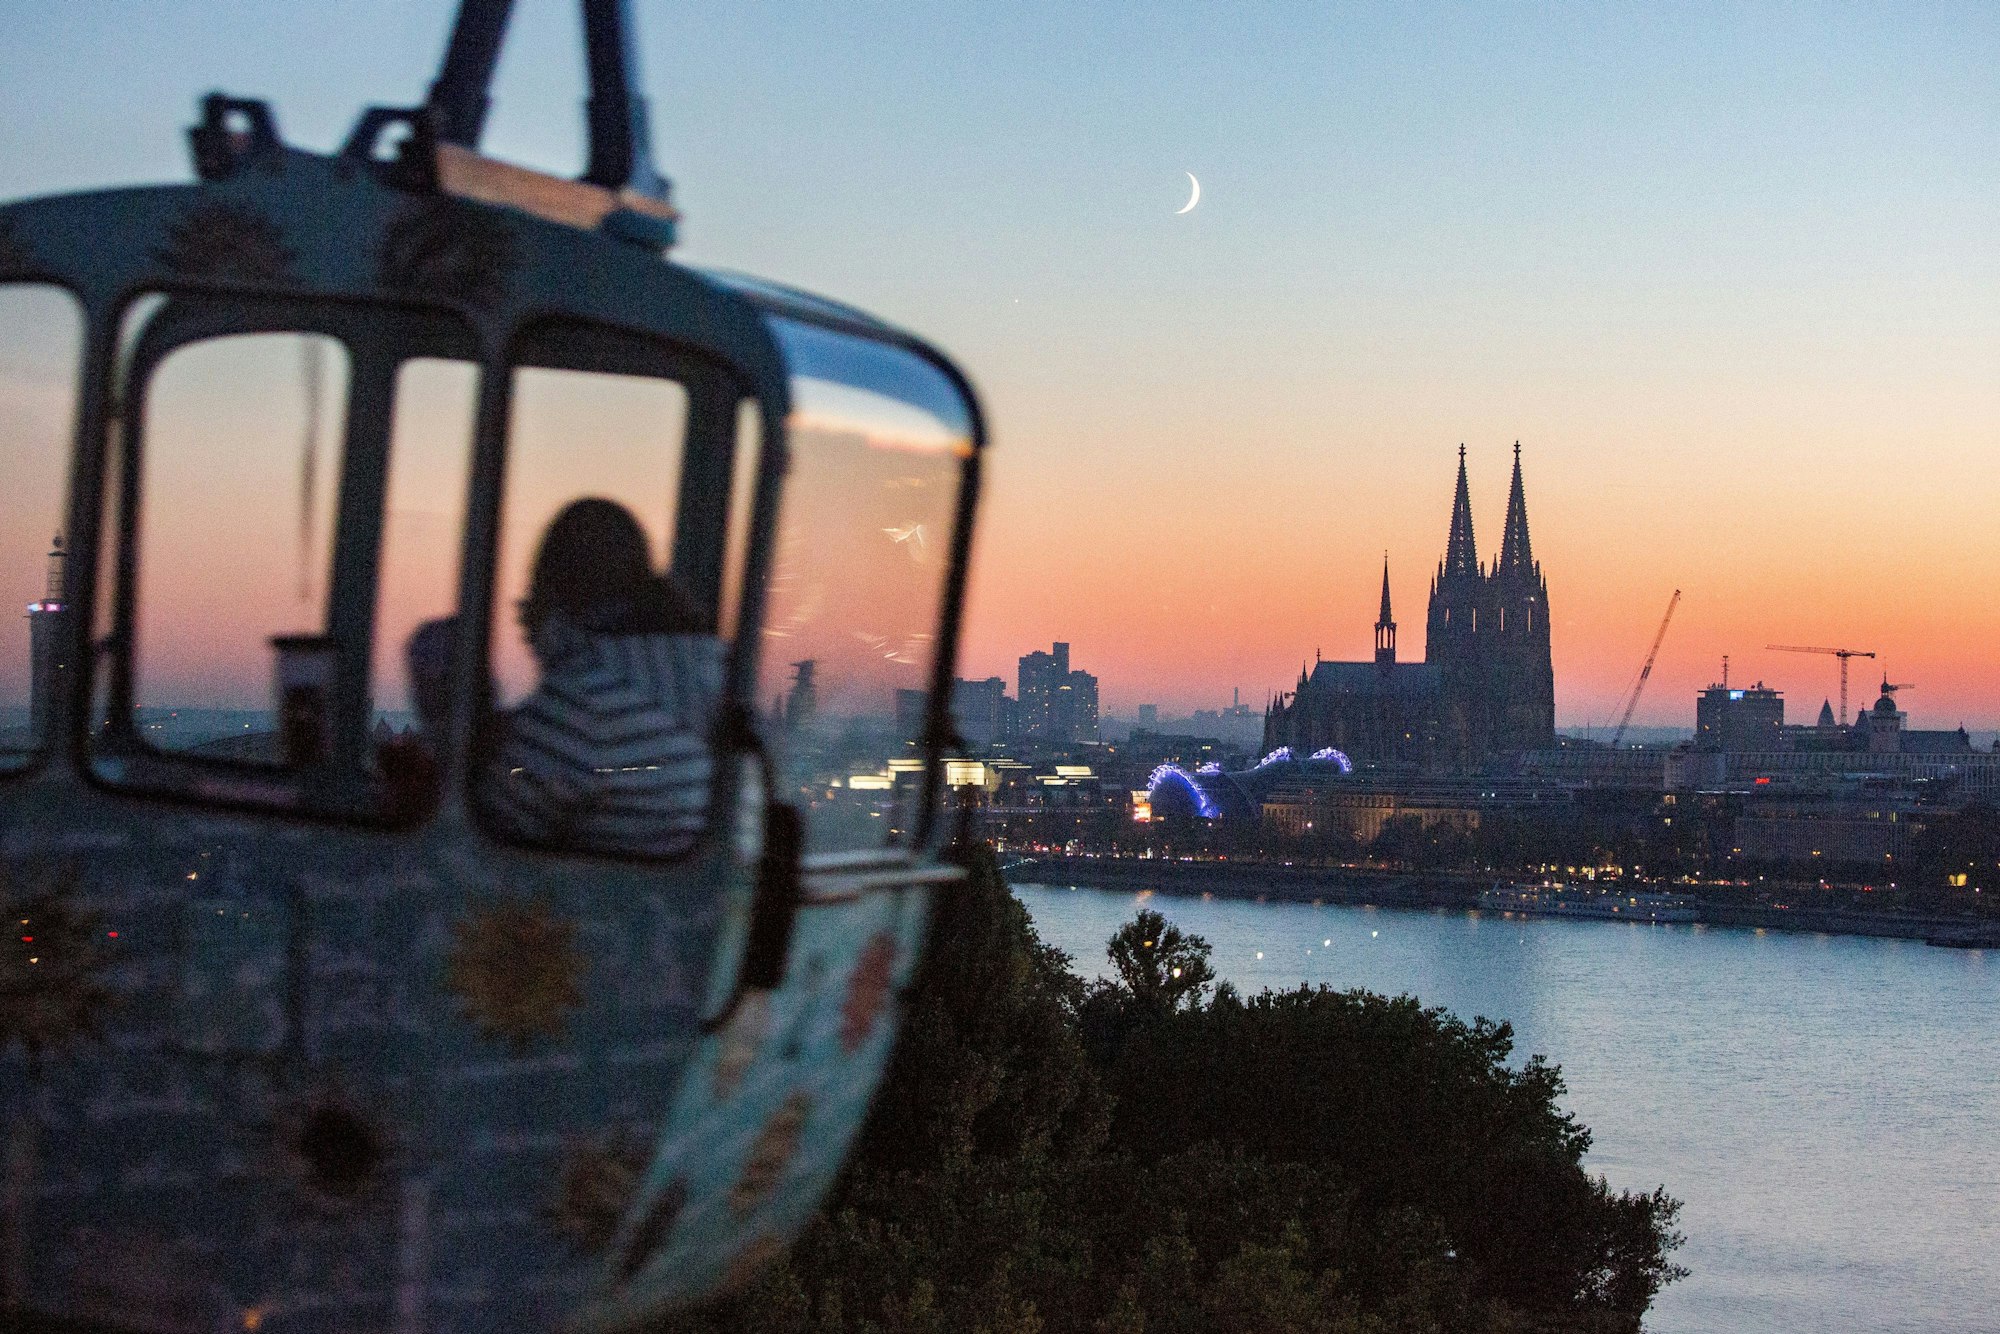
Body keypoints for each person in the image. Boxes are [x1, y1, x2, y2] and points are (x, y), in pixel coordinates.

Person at [408, 498, 723, 857]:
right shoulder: (711, 671)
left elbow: (479, 845)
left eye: (531, 608)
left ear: (557, 604)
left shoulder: (584, 701)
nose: (528, 631)